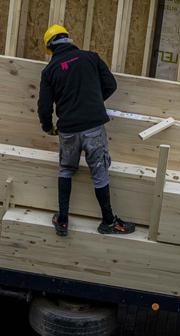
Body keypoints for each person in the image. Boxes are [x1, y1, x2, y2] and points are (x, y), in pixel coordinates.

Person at [37, 24, 136, 237]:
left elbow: (44, 108)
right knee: (99, 173)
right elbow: (110, 84)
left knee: (66, 169)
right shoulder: (91, 58)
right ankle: (108, 222)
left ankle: (62, 220)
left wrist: (48, 127)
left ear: (50, 48)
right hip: (93, 127)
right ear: (68, 39)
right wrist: (92, 103)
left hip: (68, 130)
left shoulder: (50, 71)